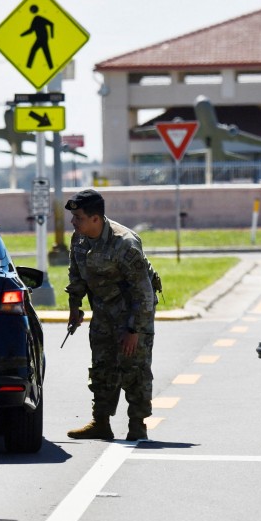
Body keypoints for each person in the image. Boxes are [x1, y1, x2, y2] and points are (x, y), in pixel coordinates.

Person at [64, 189, 157, 442]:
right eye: (73, 217)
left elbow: (143, 292)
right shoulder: (79, 239)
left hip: (133, 312)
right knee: (102, 365)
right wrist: (75, 305)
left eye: (79, 217)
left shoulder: (124, 243)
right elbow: (76, 273)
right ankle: (101, 422)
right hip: (104, 309)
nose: (74, 222)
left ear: (96, 219)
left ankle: (137, 425)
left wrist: (134, 330)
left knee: (134, 367)